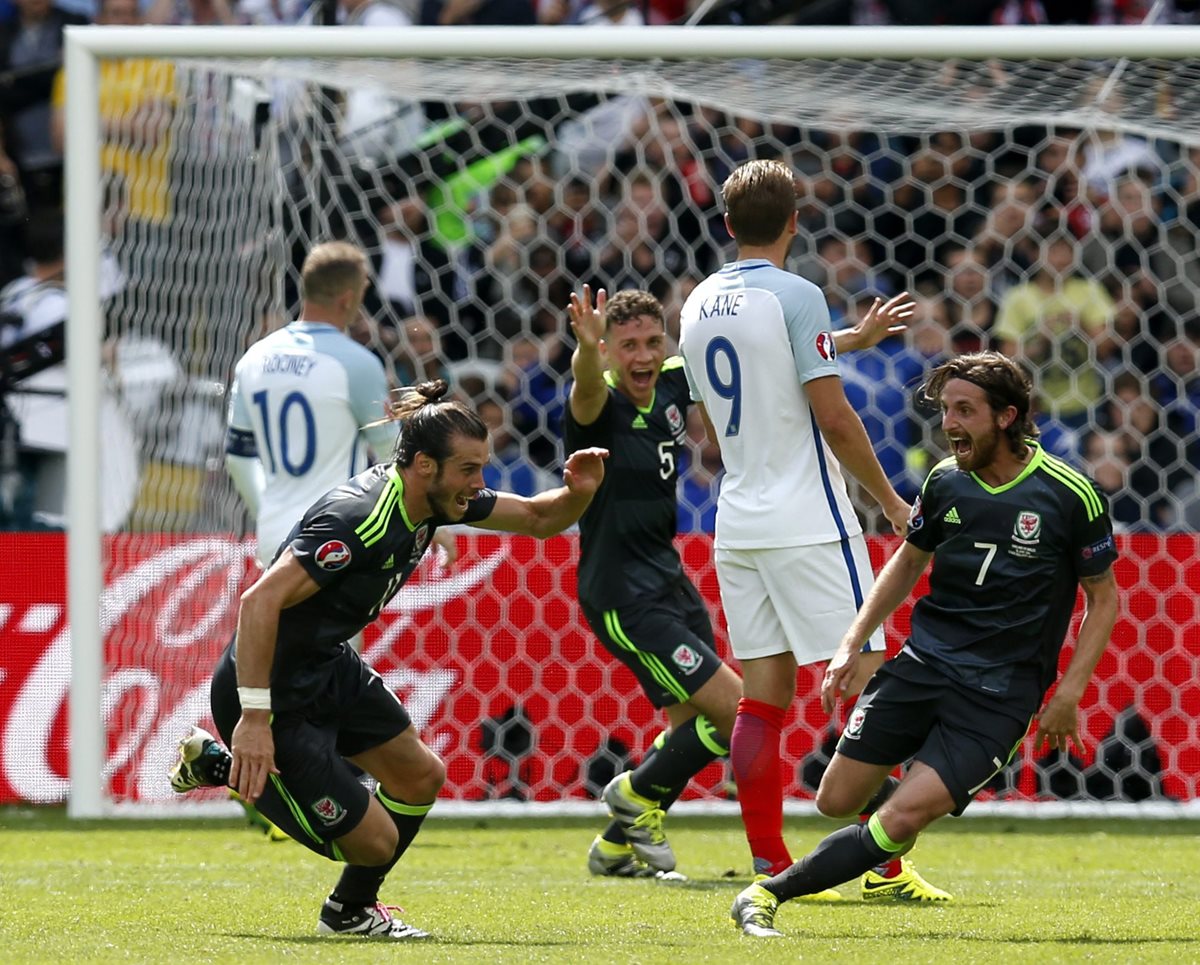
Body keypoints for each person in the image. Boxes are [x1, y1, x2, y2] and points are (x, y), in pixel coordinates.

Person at [171, 380, 608, 940]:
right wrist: (255, 719)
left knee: (421, 777)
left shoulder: (431, 498)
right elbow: (259, 603)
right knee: (375, 843)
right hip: (269, 692)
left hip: (325, 666)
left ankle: (348, 912)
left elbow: (538, 518)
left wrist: (579, 492)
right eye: (469, 470)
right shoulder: (359, 518)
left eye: (481, 468)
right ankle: (222, 766)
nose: (479, 484)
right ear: (425, 465)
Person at [731, 352, 1120, 937]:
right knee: (836, 800)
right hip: (922, 665)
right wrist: (851, 641)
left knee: (898, 820)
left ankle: (766, 895)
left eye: (964, 411)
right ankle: (897, 819)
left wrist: (1068, 694)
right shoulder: (944, 482)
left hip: (998, 695)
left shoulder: (1069, 494)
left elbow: (1104, 598)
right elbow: (909, 560)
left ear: (1007, 416)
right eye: (945, 411)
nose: (949, 425)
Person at [570, 281, 912, 881]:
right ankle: (634, 794)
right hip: (621, 591)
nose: (643, 356)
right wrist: (585, 351)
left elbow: (762, 361)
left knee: (695, 728)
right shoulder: (597, 403)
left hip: (668, 577)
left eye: (652, 342)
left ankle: (617, 843)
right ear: (607, 351)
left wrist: (854, 340)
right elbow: (586, 385)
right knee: (735, 708)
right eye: (627, 346)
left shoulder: (673, 379)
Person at [678, 158, 948, 900]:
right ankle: (882, 866)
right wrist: (891, 500)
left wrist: (846, 340)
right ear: (795, 222)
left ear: (727, 224)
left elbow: (733, 402)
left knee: (761, 698)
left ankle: (770, 861)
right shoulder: (797, 294)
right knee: (872, 679)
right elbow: (834, 416)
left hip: (739, 519)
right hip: (810, 518)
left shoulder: (696, 303)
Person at [225, 241, 407, 571]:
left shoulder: (255, 358)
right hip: (335, 537)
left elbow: (238, 456)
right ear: (348, 299)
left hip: (274, 535)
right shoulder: (356, 363)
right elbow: (391, 453)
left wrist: (268, 512)